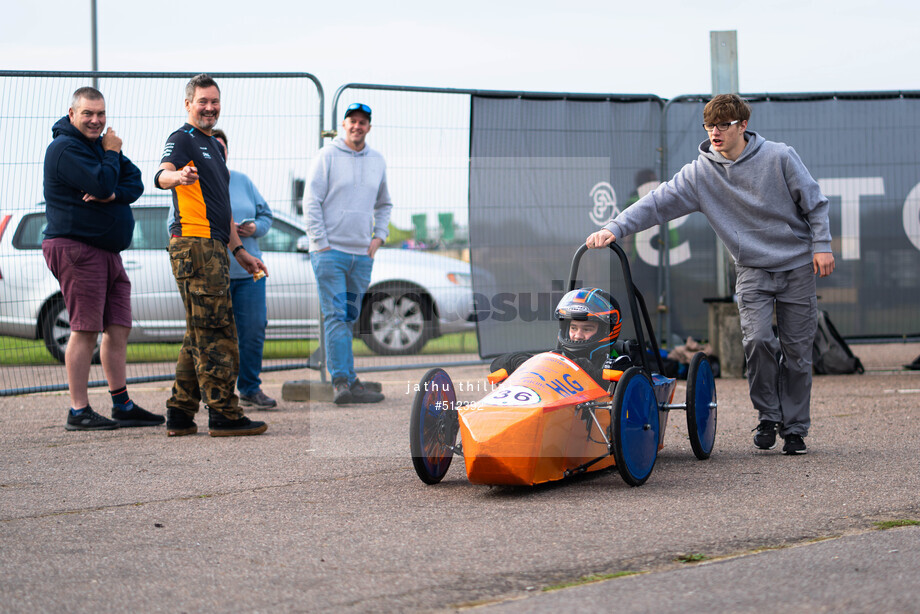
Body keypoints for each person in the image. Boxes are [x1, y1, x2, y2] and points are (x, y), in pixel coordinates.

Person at [586, 93, 835, 455]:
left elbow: (815, 202)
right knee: (758, 341)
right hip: (751, 268)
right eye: (709, 125)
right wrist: (616, 227)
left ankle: (794, 429)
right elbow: (657, 202)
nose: (714, 132)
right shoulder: (701, 173)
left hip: (796, 265)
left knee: (797, 351)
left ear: (743, 126)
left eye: (723, 125)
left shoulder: (779, 156)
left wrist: (822, 245)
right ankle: (768, 415)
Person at [42, 86, 165, 431]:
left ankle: (122, 404)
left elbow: (135, 182)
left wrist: (111, 193)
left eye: (101, 114)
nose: (96, 120)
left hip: (107, 252)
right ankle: (78, 411)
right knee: (84, 330)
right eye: (88, 114)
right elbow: (101, 180)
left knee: (118, 326)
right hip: (78, 249)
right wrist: (111, 159)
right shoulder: (65, 149)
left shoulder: (97, 148)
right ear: (72, 114)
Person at [154, 74, 268, 437]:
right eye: (202, 101)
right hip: (195, 245)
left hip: (217, 247)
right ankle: (223, 413)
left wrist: (240, 252)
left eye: (214, 101)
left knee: (198, 332)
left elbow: (225, 213)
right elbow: (160, 175)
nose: (209, 107)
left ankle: (180, 413)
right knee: (218, 332)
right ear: (188, 104)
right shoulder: (182, 139)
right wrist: (178, 178)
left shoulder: (215, 148)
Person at [306, 102, 392, 404]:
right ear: (344, 125)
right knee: (336, 316)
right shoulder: (327, 155)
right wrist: (321, 242)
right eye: (352, 121)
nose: (357, 126)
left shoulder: (377, 161)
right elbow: (311, 200)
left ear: (369, 127)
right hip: (330, 253)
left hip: (362, 254)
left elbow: (384, 205)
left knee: (349, 316)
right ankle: (341, 381)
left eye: (363, 122)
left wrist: (377, 239)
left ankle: (350, 379)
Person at [210, 129, 277, 410]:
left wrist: (253, 228)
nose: (218, 152)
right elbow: (174, 226)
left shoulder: (242, 181)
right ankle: (217, 394)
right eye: (212, 147)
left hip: (249, 273)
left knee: (253, 330)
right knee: (215, 336)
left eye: (222, 147)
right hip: (214, 274)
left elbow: (266, 216)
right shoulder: (193, 183)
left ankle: (250, 388)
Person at [490, 287, 624, 389]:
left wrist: (589, 372)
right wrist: (524, 365)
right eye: (573, 328)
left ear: (605, 331)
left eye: (587, 329)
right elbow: (496, 365)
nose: (578, 335)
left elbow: (624, 382)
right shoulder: (559, 356)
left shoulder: (618, 361)